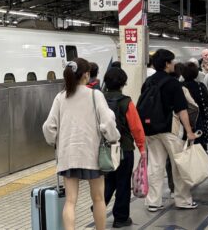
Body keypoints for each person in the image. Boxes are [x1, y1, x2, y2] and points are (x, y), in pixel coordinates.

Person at [43, 58, 120, 230]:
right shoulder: (95, 95)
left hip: (68, 155)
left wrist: (54, 142)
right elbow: (107, 122)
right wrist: (114, 137)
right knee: (98, 198)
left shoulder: (61, 97)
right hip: (92, 154)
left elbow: (49, 127)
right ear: (86, 74)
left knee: (70, 201)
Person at [138, 49, 199, 212]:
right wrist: (189, 131)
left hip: (150, 128)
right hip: (170, 129)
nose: (173, 65)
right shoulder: (173, 83)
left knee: (155, 165)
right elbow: (182, 110)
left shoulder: (149, 81)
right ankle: (183, 200)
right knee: (178, 165)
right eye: (172, 62)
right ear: (166, 64)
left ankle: (153, 202)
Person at [102, 67, 146, 228]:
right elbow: (136, 127)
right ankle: (120, 218)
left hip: (104, 149)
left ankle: (98, 208)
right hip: (124, 148)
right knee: (122, 183)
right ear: (123, 83)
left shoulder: (98, 100)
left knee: (108, 180)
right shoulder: (126, 102)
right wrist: (142, 148)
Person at [182, 61, 208, 150]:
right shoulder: (200, 86)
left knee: (184, 147)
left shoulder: (179, 86)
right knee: (199, 146)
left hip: (182, 121)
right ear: (196, 73)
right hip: (199, 120)